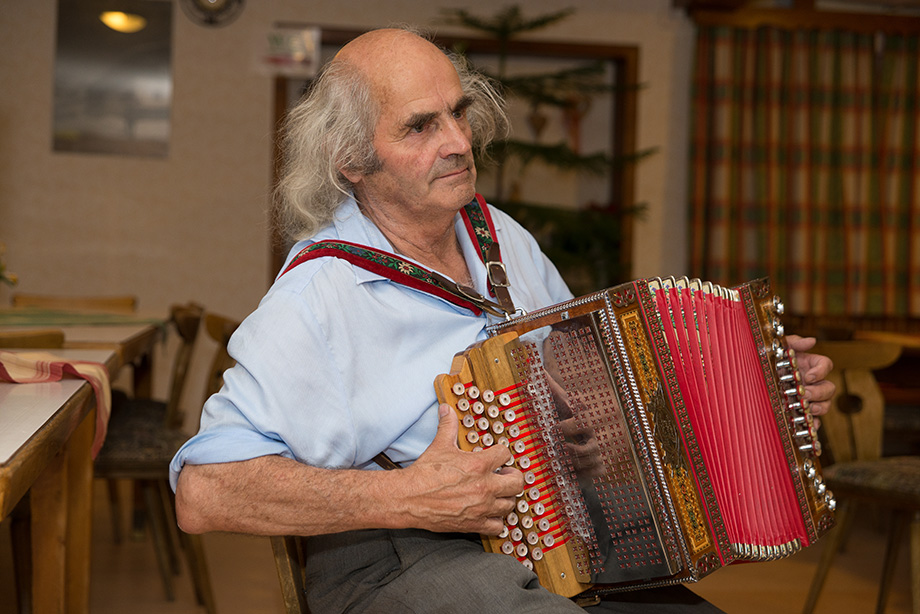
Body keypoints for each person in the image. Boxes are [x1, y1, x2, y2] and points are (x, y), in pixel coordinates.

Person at [170, 27, 835, 613]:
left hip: (555, 533)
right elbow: (205, 491)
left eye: (459, 113)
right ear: (350, 161)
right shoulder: (320, 295)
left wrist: (761, 393)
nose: (460, 142)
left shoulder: (502, 238)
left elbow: (586, 396)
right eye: (420, 126)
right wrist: (405, 498)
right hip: (395, 556)